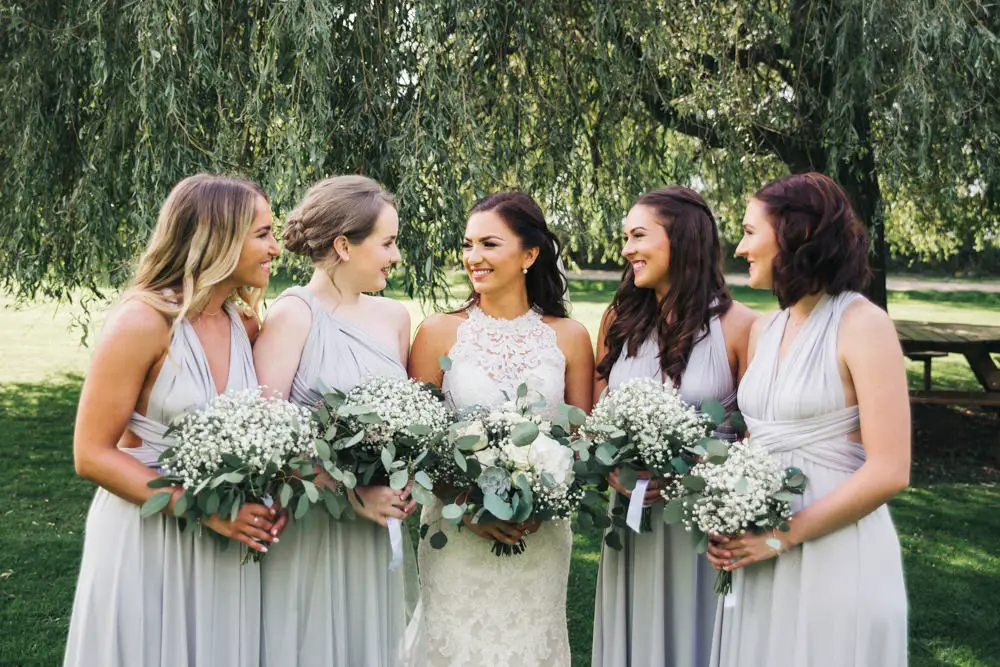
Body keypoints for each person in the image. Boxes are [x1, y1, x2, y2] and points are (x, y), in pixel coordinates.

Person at [64, 174, 280, 667]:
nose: (275, 247)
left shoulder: (243, 323)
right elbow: (91, 454)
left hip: (226, 542)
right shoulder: (143, 322)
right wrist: (204, 509)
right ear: (219, 238)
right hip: (150, 534)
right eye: (263, 233)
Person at [708, 172, 909, 666]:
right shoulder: (764, 329)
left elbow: (890, 470)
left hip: (834, 550)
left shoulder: (864, 325)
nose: (739, 247)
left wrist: (783, 536)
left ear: (795, 233)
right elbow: (757, 442)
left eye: (750, 231)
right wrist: (725, 510)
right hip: (759, 549)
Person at [403, 192, 594, 667]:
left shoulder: (569, 337)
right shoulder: (437, 333)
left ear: (530, 254)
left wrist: (542, 503)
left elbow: (580, 444)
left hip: (541, 536)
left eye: (489, 244)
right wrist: (468, 509)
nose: (473, 258)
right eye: (468, 245)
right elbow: (416, 448)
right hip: (456, 532)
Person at [253, 175, 415, 666]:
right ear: (344, 245)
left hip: (376, 526)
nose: (396, 256)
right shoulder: (292, 315)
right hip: (313, 524)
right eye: (387, 243)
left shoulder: (395, 318)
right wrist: (349, 490)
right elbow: (265, 438)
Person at [591, 186, 756, 667]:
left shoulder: (741, 327)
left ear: (681, 239)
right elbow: (597, 420)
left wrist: (694, 471)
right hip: (631, 522)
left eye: (638, 235)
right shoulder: (619, 321)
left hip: (701, 530)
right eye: (625, 237)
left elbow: (758, 438)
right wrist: (611, 470)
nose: (627, 250)